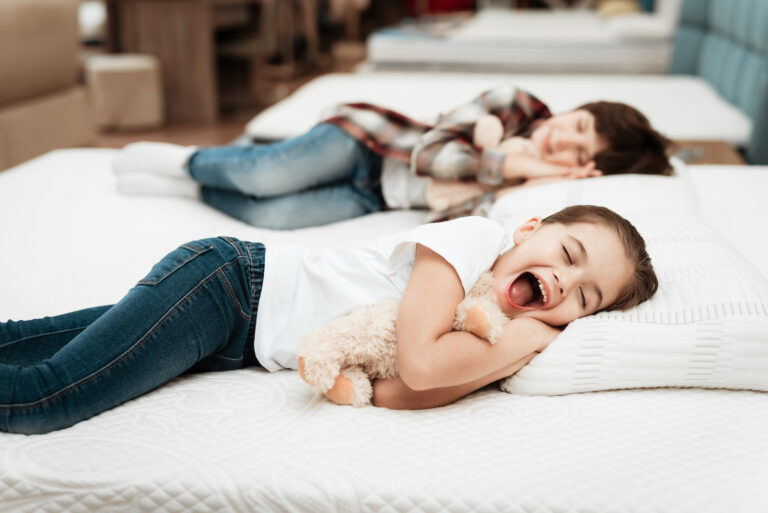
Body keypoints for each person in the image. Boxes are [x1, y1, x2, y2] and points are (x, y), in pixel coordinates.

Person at [0, 205, 657, 434]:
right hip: (226, 287)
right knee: (49, 394)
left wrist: (511, 348)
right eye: (568, 255)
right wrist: (529, 335)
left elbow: (399, 391)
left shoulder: (477, 325)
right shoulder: (473, 240)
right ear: (531, 228)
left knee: (22, 345)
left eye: (585, 297)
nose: (565, 282)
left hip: (227, 341)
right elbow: (423, 366)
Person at [112, 85, 672, 229]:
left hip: (374, 196)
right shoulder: (516, 105)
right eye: (576, 125)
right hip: (370, 142)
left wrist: (528, 188)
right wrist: (518, 166)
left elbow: (451, 219)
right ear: (570, 110)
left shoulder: (544, 193)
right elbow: (432, 153)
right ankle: (187, 161)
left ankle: (190, 186)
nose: (562, 142)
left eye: (579, 150)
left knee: (269, 214)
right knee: (266, 174)